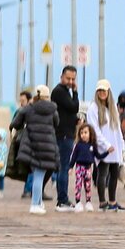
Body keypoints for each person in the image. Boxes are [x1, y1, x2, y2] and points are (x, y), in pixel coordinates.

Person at [11, 84, 59, 215]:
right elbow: (56, 123)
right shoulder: (53, 110)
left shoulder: (28, 109)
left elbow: (15, 123)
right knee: (40, 174)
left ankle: (37, 202)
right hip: (47, 144)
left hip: (32, 144)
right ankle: (35, 204)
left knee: (37, 174)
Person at [85, 79, 125, 211]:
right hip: (103, 147)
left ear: (109, 92)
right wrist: (106, 144)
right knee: (102, 173)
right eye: (100, 90)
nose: (102, 93)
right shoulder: (93, 108)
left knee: (114, 173)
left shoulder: (112, 107)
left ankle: (112, 201)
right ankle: (103, 202)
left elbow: (117, 128)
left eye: (104, 90)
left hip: (115, 146)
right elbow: (94, 129)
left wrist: (121, 145)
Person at [50, 66, 80, 211]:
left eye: (73, 79)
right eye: (68, 78)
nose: (70, 81)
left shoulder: (62, 92)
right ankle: (62, 200)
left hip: (65, 133)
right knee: (64, 167)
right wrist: (75, 92)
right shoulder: (59, 92)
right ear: (61, 77)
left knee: (60, 167)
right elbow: (74, 107)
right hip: (63, 135)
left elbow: (68, 112)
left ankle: (61, 199)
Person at [69, 122, 100, 212]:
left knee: (88, 185)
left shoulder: (93, 145)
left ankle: (88, 202)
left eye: (85, 132)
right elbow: (74, 156)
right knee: (78, 185)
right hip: (79, 167)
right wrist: (70, 167)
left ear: (90, 133)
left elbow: (98, 156)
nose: (83, 135)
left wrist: (107, 153)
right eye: (81, 133)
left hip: (88, 168)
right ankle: (78, 202)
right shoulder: (78, 145)